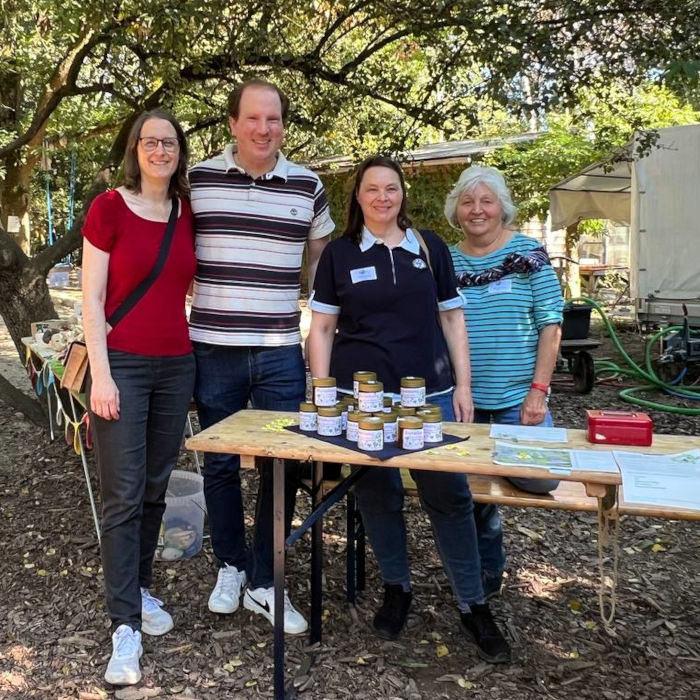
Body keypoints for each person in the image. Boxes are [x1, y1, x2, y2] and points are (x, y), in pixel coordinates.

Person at [308, 155, 511, 664]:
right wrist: (322, 393)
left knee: (450, 497)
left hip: (432, 398)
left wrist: (463, 386)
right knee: (379, 496)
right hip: (364, 402)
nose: (382, 197)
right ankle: (397, 588)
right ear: (357, 197)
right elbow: (323, 330)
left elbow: (453, 320)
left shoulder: (430, 247)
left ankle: (473, 604)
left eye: (391, 188)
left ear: (403, 195)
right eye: (372, 189)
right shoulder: (338, 254)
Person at [188, 79, 334, 634]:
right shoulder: (197, 181)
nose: (263, 129)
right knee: (221, 465)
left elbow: (320, 264)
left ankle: (266, 580)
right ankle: (230, 564)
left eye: (272, 119)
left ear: (283, 125)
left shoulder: (307, 185)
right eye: (252, 119)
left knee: (282, 464)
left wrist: (318, 332)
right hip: (213, 347)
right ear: (232, 123)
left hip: (278, 351)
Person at [82, 109, 196, 685]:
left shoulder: (187, 212)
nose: (159, 150)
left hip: (177, 366)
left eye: (169, 142)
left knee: (155, 487)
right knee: (123, 495)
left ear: (179, 152)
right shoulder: (108, 208)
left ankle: (141, 587)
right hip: (121, 364)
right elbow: (92, 301)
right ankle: (123, 625)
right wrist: (101, 376)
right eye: (149, 141)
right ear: (135, 148)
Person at [446, 165, 564, 598]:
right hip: (465, 400)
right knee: (467, 491)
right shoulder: (446, 260)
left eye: (487, 201)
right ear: (455, 211)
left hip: (519, 397)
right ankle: (483, 571)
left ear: (502, 208)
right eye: (467, 202)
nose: (477, 210)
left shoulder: (529, 254)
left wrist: (539, 392)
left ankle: (483, 562)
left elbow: (552, 325)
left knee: (541, 478)